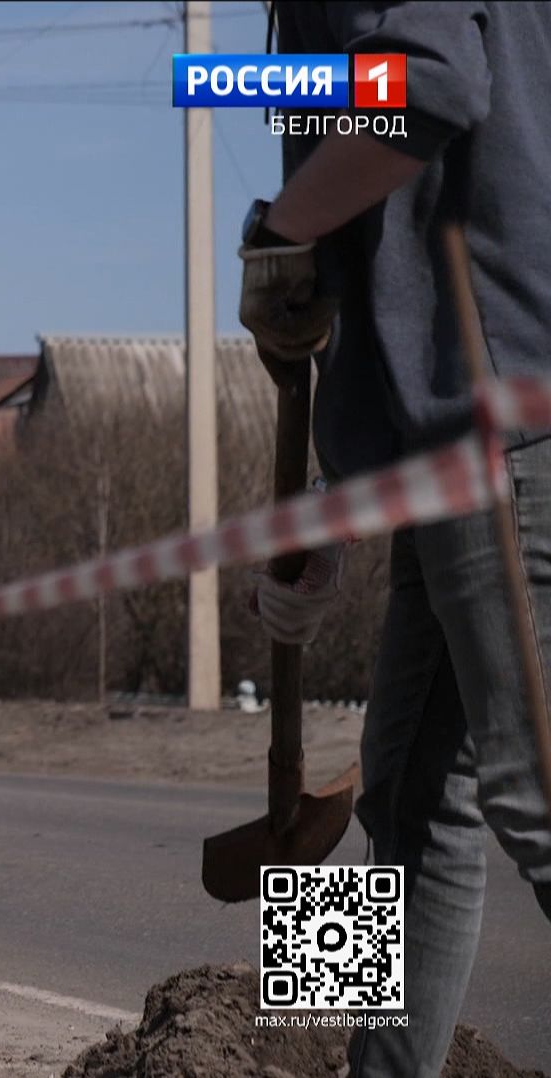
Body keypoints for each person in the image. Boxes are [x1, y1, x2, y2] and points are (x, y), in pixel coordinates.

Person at [241, 6, 551, 1075]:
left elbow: (427, 90)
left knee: (531, 789)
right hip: (444, 424)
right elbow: (397, 258)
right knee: (410, 796)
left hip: (499, 410)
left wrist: (281, 229)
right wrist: (335, 492)